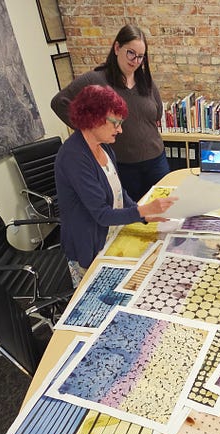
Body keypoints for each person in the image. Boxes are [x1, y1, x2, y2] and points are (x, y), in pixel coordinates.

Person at [55, 85, 177, 287]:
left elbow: (119, 194)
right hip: (89, 245)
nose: (120, 129)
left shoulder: (104, 148)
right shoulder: (74, 157)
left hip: (111, 236)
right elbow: (101, 214)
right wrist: (142, 210)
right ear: (93, 118)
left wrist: (145, 216)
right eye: (116, 123)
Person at [51, 24, 169, 202]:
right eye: (131, 53)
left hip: (156, 161)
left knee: (162, 211)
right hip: (123, 166)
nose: (135, 61)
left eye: (140, 57)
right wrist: (89, 128)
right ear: (117, 48)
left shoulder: (146, 81)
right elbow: (59, 102)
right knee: (131, 217)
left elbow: (157, 113)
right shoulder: (96, 79)